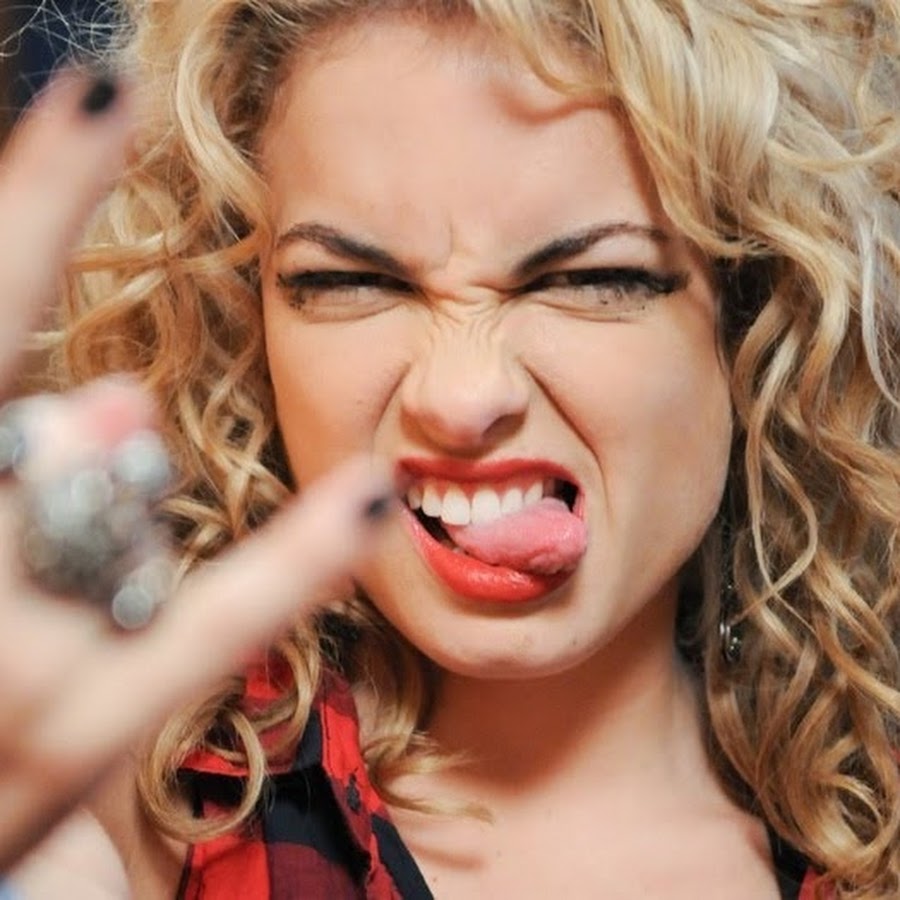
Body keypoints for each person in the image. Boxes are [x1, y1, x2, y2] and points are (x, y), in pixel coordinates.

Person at [5, 0, 900, 897]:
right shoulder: (127, 816)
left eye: (592, 278)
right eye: (351, 281)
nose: (462, 398)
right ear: (247, 323)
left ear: (755, 318)